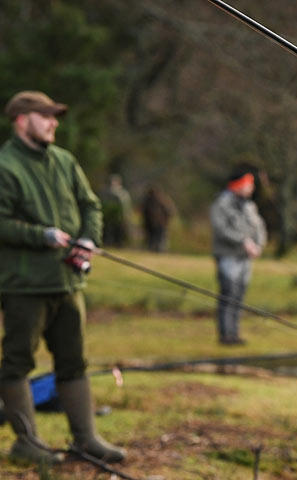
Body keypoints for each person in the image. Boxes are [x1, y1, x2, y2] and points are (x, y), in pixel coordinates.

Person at [0, 91, 126, 465]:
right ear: (22, 120)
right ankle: (27, 442)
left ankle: (86, 440)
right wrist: (41, 236)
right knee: (18, 362)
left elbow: (90, 204)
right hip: (25, 285)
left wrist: (88, 239)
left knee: (74, 362)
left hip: (68, 283)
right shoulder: (5, 165)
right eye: (46, 116)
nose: (54, 123)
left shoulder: (64, 160)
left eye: (55, 117)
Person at [210, 169, 267, 345]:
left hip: (245, 258)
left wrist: (258, 245)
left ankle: (234, 333)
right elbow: (221, 230)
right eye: (248, 184)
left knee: (239, 296)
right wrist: (243, 242)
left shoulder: (250, 206)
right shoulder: (221, 204)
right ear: (239, 185)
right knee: (228, 293)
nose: (251, 188)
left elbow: (259, 227)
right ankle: (225, 335)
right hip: (228, 256)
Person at [100, 173, 132, 247]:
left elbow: (125, 206)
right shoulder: (105, 192)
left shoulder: (123, 193)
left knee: (119, 233)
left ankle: (118, 244)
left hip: (119, 217)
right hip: (108, 217)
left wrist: (126, 216)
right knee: (108, 232)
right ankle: (108, 243)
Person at [141, 183, 176, 252]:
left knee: (160, 238)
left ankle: (159, 250)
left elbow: (170, 211)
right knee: (153, 238)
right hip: (151, 223)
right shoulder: (148, 200)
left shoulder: (163, 200)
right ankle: (154, 249)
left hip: (160, 223)